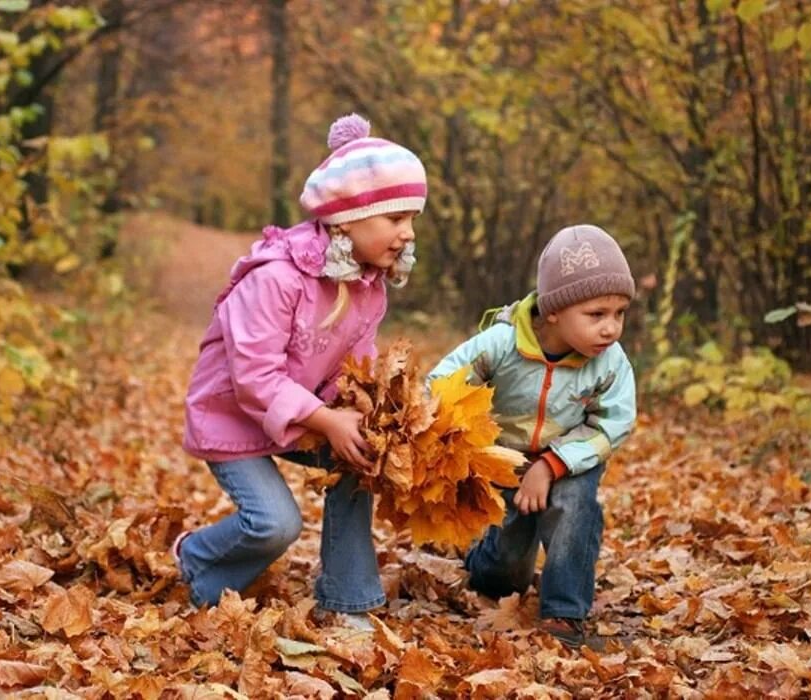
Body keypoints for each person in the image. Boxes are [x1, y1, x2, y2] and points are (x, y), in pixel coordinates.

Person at [174, 114, 426, 627]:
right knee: (275, 525)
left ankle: (347, 597)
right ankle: (199, 559)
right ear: (346, 220)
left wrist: (362, 406)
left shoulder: (366, 283)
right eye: (395, 218)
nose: (407, 233)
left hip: (301, 413)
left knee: (359, 457)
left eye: (412, 219)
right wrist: (328, 421)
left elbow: (356, 360)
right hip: (233, 416)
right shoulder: (277, 279)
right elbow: (254, 378)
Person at [428, 224, 637, 648]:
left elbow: (613, 422)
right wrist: (462, 440)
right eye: (596, 314)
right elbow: (441, 385)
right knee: (508, 567)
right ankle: (481, 561)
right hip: (505, 459)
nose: (610, 328)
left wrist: (553, 463)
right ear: (554, 309)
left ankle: (565, 613)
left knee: (575, 506)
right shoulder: (503, 343)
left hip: (570, 457)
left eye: (619, 314)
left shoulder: (610, 362)